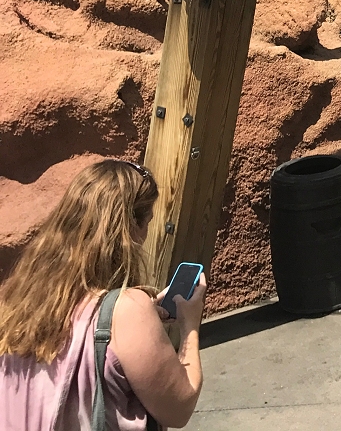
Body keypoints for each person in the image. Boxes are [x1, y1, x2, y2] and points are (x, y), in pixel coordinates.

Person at [0, 160, 207, 429]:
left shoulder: (15, 301)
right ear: (130, 227)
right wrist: (190, 324)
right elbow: (179, 408)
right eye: (147, 223)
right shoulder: (127, 310)